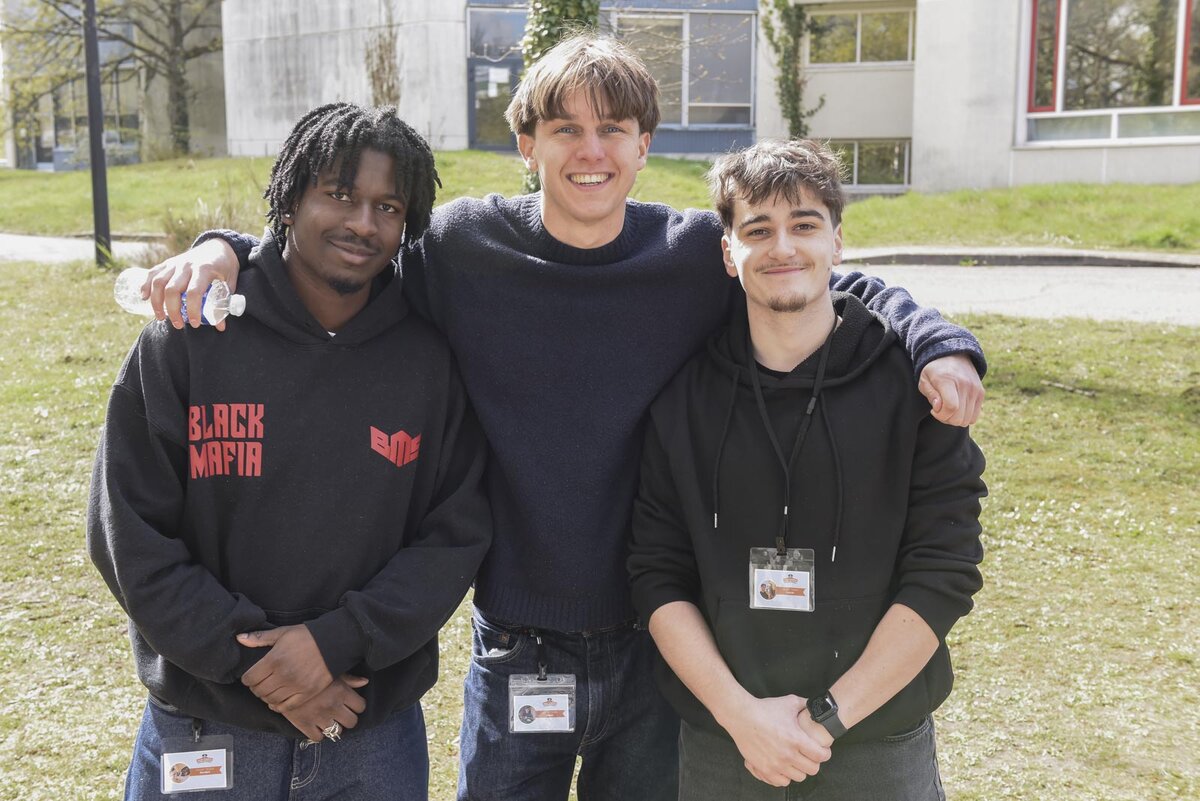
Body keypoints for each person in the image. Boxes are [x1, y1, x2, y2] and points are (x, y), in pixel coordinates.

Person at [139, 34, 986, 801]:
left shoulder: (690, 256)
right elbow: (342, 256)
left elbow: (815, 274)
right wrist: (230, 248)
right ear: (526, 144)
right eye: (565, 129)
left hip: (657, 642)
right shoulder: (466, 249)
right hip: (518, 644)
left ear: (644, 146)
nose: (591, 151)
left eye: (614, 129)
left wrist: (937, 341)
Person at [87, 103, 492, 801]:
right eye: (339, 194)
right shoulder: (188, 337)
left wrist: (337, 640)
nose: (362, 223)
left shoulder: (429, 361)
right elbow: (129, 533)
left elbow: (453, 535)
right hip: (206, 727)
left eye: (388, 207)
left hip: (368, 731)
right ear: (290, 197)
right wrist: (258, 665)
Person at [627, 139, 986, 799]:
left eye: (804, 224)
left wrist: (827, 719)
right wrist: (740, 715)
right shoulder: (684, 400)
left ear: (837, 242)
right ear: (729, 252)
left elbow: (944, 571)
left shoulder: (914, 391)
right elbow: (656, 573)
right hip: (725, 743)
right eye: (758, 229)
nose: (783, 247)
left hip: (877, 739)